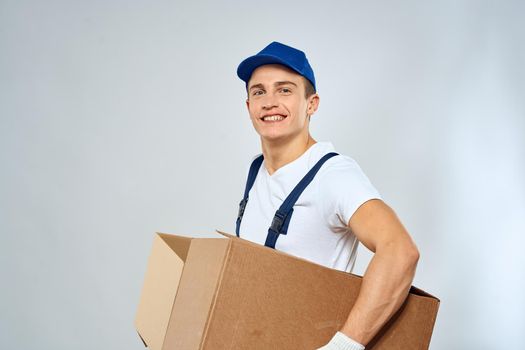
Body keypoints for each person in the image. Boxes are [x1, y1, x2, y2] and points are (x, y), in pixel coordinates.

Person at [235, 41, 420, 350]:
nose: (269, 102)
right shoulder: (257, 170)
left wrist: (343, 346)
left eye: (284, 90)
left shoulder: (333, 175)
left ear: (312, 103)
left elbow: (400, 251)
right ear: (249, 106)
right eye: (259, 92)